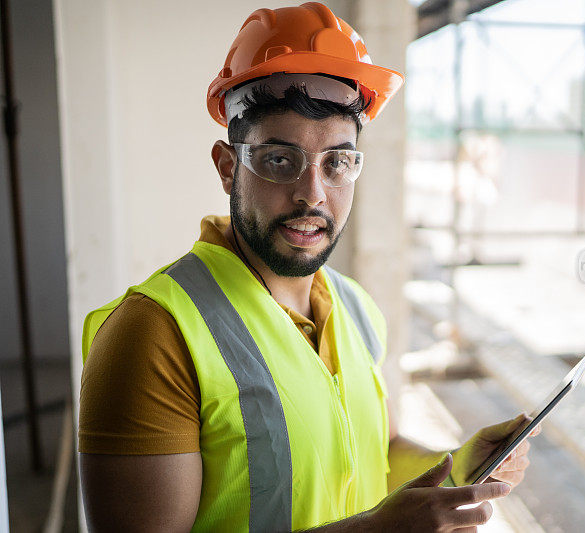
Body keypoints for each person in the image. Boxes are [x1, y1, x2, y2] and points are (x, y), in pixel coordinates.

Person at [78, 3, 536, 531]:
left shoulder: (356, 308)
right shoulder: (153, 335)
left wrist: (456, 465)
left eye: (337, 162)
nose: (312, 195)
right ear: (229, 169)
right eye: (279, 159)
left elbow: (375, 451)